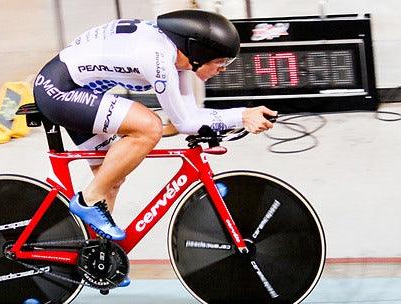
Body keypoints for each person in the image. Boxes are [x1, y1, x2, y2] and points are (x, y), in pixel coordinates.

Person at [33, 10, 277, 245]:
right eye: (220, 62)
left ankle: (98, 253)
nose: (222, 69)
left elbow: (189, 115)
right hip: (61, 90)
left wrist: (237, 117)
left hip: (77, 89)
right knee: (149, 127)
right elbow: (185, 123)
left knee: (112, 178)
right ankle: (88, 201)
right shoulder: (157, 57)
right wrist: (242, 116)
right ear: (198, 53)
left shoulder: (177, 54)